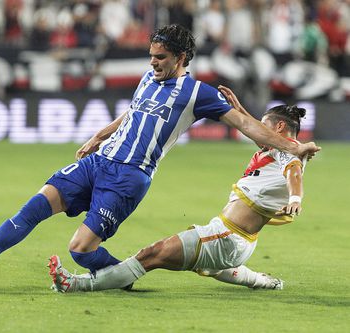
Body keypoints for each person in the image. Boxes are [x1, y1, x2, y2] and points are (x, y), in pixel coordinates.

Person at [0, 24, 320, 284]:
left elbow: (248, 125)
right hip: (98, 161)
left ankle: (122, 277)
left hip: (130, 177)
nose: (153, 62)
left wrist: (294, 146)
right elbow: (134, 113)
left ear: (182, 57)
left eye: (161, 57)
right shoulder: (148, 78)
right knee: (34, 207)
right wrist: (98, 135)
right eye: (151, 55)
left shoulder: (197, 94)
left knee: (80, 250)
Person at [48, 91, 309, 292]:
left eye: (264, 125)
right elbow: (260, 138)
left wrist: (296, 197)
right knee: (211, 264)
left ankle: (77, 284)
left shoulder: (288, 150)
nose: (259, 130)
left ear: (279, 129)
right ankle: (263, 282)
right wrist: (239, 110)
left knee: (151, 255)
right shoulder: (275, 148)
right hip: (237, 239)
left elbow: (294, 171)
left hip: (227, 236)